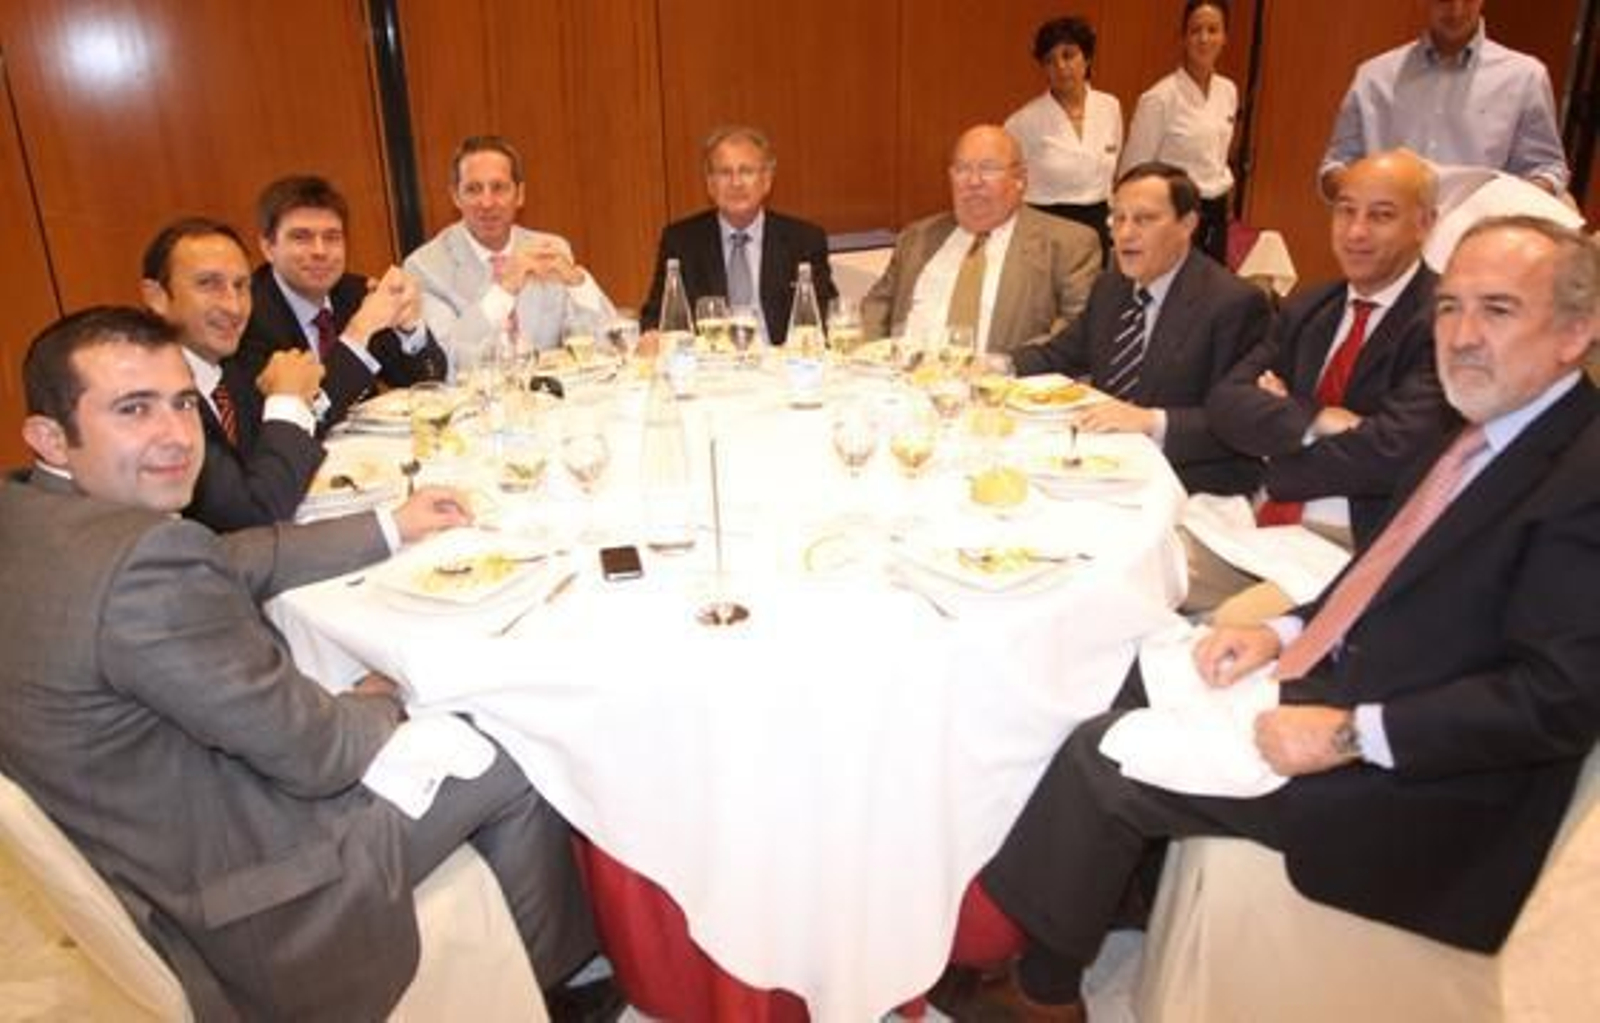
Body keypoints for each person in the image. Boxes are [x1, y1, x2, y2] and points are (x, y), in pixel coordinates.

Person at [958, 216, 1600, 1019]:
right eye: (1450, 307)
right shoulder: (1485, 428)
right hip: (1344, 675)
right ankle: (1113, 889)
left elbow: (1557, 700)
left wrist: (1347, 733)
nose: (1462, 336)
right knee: (1123, 670)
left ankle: (1044, 991)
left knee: (1103, 756)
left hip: (1420, 785)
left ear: (1576, 331)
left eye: (1498, 310)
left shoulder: (1582, 476)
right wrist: (1283, 630)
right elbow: (1383, 569)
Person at [0, 306, 601, 1020]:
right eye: (134, 409)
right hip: (256, 895)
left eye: (183, 403)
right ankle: (549, 987)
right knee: (511, 743)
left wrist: (388, 525)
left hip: (145, 847)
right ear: (50, 436)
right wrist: (382, 694)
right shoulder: (138, 566)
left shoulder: (36, 518)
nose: (175, 435)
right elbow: (322, 752)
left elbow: (221, 558)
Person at [1201, 149, 1459, 616]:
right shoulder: (1311, 306)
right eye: (1345, 211)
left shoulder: (1447, 317)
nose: (1356, 231)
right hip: (1261, 519)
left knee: (1224, 627)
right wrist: (1316, 418)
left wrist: (1280, 449)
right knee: (1138, 576)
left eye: (1381, 216)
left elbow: (1392, 453)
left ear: (1424, 224)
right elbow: (1226, 402)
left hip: (1357, 539)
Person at [1015, 162, 1271, 496]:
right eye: (1118, 219)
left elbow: (1241, 421)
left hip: (1187, 483)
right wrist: (991, 367)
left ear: (1187, 224)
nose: (1125, 234)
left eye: (1144, 219)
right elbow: (1060, 354)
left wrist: (1151, 420)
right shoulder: (1112, 287)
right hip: (1103, 463)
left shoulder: (1233, 303)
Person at [140, 217, 327, 531]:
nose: (235, 307)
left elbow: (270, 461)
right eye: (208, 284)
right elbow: (252, 517)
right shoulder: (151, 398)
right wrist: (288, 402)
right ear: (157, 297)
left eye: (241, 286)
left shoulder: (231, 369)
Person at [861, 124, 1099, 356]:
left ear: (1020, 179)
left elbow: (1075, 331)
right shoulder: (917, 236)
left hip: (1002, 388)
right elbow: (878, 305)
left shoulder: (1067, 243)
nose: (973, 182)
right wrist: (871, 358)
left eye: (989, 168)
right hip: (902, 382)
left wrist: (1005, 367)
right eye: (962, 169)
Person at [239, 175, 447, 430]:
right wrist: (358, 331)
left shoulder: (354, 292)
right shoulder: (247, 315)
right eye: (301, 237)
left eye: (332, 237)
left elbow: (429, 383)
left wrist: (410, 328)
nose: (320, 251)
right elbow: (308, 419)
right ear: (268, 247)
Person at [1320, 0, 1569, 200]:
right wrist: (1370, 196)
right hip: (1388, 248)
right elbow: (1335, 167)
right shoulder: (1374, 76)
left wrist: (1505, 205)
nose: (1456, 9)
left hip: (1477, 244)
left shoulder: (1525, 77)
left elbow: (1547, 169)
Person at [405, 135, 615, 368]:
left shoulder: (550, 248)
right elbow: (450, 362)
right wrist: (505, 288)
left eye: (499, 188)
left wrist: (578, 283)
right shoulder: (425, 268)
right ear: (456, 197)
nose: (486, 202)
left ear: (520, 194)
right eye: (473, 189)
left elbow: (610, 344)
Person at [639, 125, 834, 344]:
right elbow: (656, 316)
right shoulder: (681, 241)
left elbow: (824, 316)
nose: (736, 183)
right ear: (710, 184)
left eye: (746, 171)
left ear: (767, 180)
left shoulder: (804, 240)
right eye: (724, 172)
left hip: (782, 368)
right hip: (712, 369)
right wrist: (652, 335)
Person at [1121, 0, 1237, 264]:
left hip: (1216, 213)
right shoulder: (1160, 98)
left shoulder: (1228, 90)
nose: (1204, 38)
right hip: (1174, 213)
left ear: (1224, 37)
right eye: (1196, 30)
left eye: (1213, 30)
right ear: (1183, 37)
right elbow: (1132, 173)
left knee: (1209, 297)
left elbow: (1216, 158)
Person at [1004, 15, 1122, 260]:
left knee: (1092, 297)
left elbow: (1114, 175)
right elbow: (1009, 188)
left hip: (1097, 228)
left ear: (1087, 58)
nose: (1060, 66)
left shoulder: (1110, 106)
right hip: (1045, 233)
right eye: (1050, 60)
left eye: (1068, 55)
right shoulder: (1022, 122)